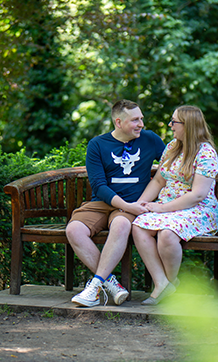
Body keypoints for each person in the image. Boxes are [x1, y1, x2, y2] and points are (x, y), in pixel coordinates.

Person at [66, 99, 165, 307]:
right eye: (135, 120)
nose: (141, 124)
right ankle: (110, 283)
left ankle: (94, 288)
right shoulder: (97, 145)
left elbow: (174, 166)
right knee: (74, 229)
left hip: (135, 204)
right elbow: (99, 187)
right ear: (118, 122)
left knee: (121, 224)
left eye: (142, 119)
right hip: (103, 203)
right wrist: (128, 206)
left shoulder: (150, 140)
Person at [132, 105, 218, 305]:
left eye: (175, 122)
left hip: (198, 210)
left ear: (188, 126)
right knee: (138, 225)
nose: (170, 125)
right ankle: (162, 283)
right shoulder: (172, 146)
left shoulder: (206, 153)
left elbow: (198, 195)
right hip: (168, 209)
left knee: (167, 233)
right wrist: (141, 204)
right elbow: (158, 181)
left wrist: (162, 208)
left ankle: (169, 283)